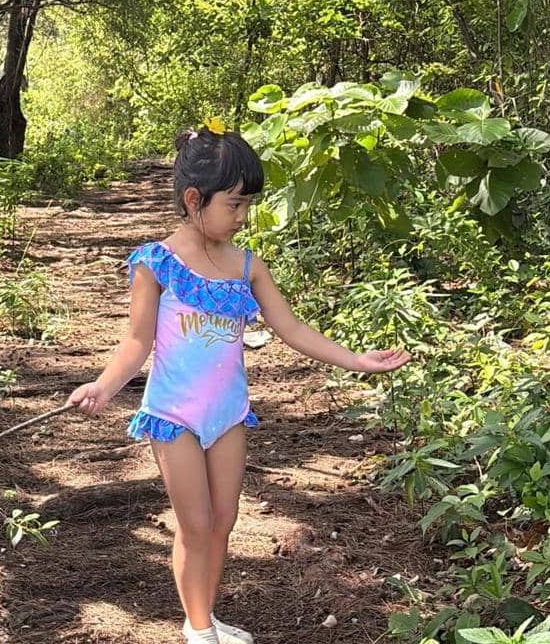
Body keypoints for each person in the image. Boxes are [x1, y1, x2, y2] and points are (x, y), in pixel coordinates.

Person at [67, 124, 410, 644]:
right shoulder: (156, 263)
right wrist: (103, 386)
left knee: (224, 521)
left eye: (248, 204)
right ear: (193, 199)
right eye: (234, 204)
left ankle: (205, 614)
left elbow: (291, 328)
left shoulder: (248, 267)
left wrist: (356, 360)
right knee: (196, 524)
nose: (243, 217)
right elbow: (136, 343)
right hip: (173, 415)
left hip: (228, 414)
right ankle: (198, 630)